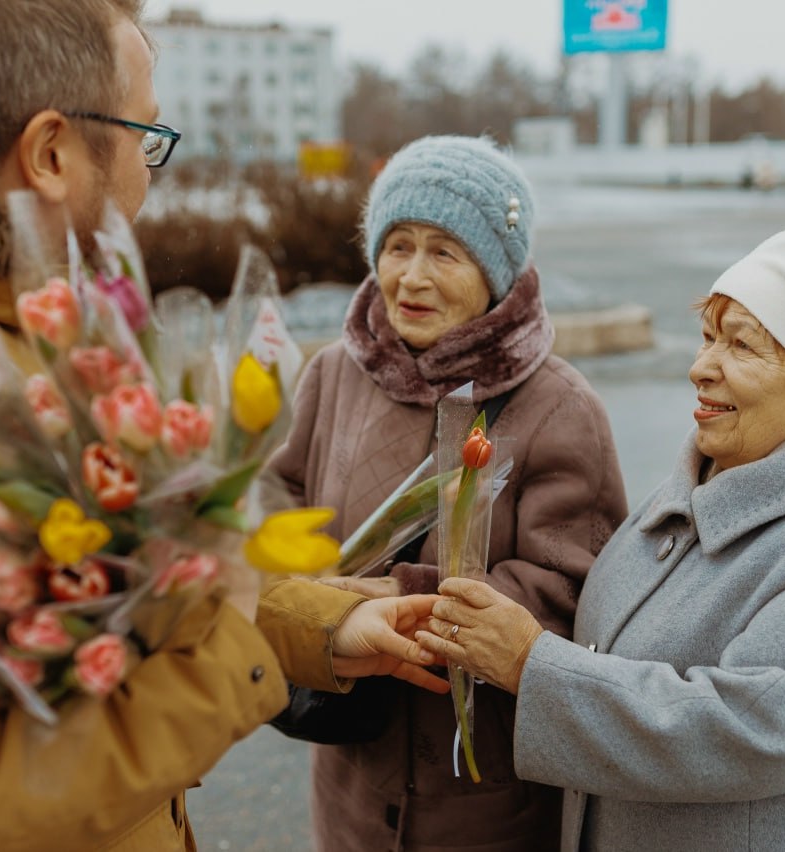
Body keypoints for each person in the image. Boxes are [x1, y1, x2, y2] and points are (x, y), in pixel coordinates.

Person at [0, 3, 443, 850]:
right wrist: (233, 658)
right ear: (52, 153)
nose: (148, 169)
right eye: (144, 134)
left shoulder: (9, 328)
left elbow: (94, 594)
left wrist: (311, 623)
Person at [420, 229, 785, 851]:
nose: (701, 367)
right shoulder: (708, 477)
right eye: (708, 336)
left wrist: (530, 665)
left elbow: (747, 731)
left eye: (742, 345)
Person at [268, 135, 629, 851]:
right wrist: (308, 592)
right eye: (397, 245)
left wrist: (403, 598)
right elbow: (279, 498)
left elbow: (574, 591)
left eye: (445, 252)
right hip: (352, 777)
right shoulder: (335, 374)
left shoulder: (560, 407)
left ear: (494, 271)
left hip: (484, 790)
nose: (412, 277)